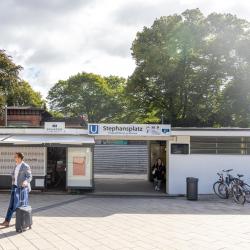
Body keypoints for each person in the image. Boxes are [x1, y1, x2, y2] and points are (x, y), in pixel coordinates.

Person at [0, 152, 32, 227]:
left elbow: (30, 177)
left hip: (22, 189)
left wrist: (25, 182)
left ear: (20, 158)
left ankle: (23, 221)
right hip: (15, 187)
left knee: (22, 205)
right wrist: (13, 177)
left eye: (16, 157)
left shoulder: (25, 166)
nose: (14, 158)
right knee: (12, 204)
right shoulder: (16, 165)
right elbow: (13, 173)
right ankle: (7, 221)